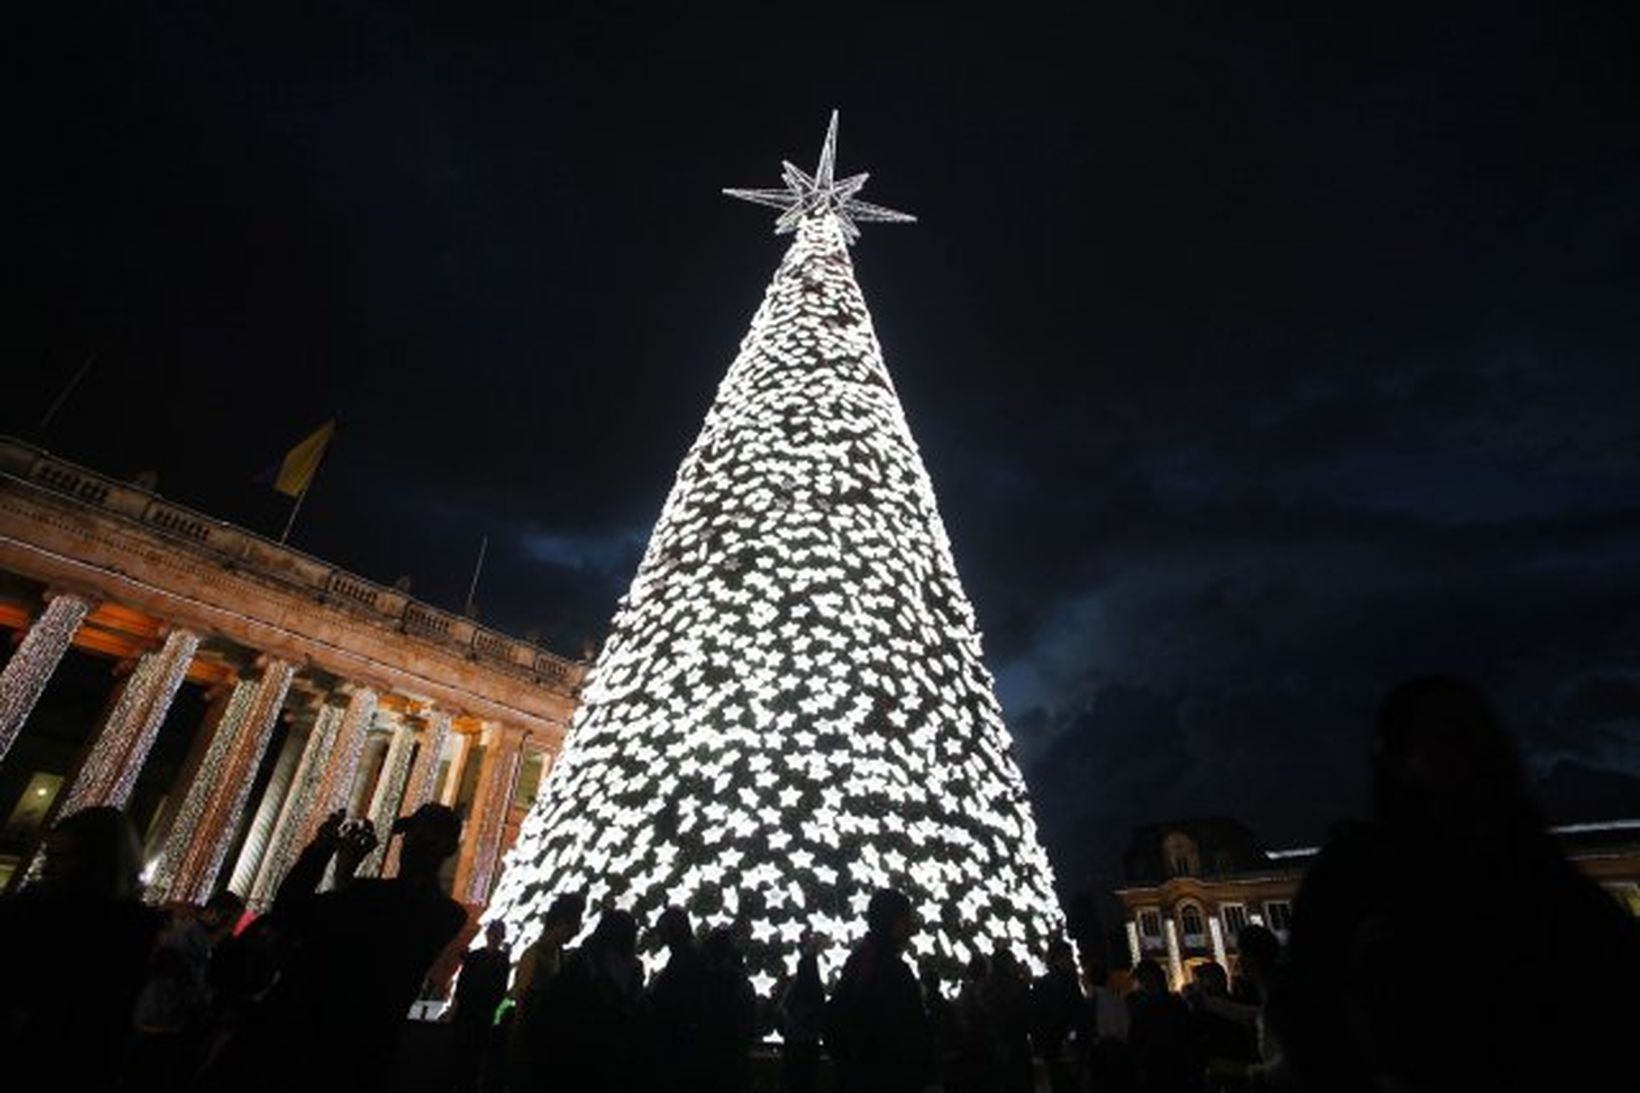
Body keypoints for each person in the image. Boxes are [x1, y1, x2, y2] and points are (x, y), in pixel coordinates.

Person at [1281, 676, 1640, 1092]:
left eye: (1482, 734)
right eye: (1446, 738)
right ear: (1400, 760)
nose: (1474, 753)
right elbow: (1303, 1016)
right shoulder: (1358, 874)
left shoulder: (1550, 879)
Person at [200, 804, 467, 1092]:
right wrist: (328, 854)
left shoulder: (438, 912)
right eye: (412, 835)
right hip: (309, 1044)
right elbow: (297, 913)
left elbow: (304, 913)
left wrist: (334, 862)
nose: (413, 843)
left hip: (328, 1052)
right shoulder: (373, 895)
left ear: (448, 848)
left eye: (427, 837)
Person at [0, 806, 160, 1090]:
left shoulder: (39, 914)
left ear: (98, 863)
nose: (47, 867)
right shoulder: (136, 927)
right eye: (49, 856)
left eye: (61, 858)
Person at [826, 888, 930, 1093]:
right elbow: (909, 1035)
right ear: (896, 923)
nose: (912, 927)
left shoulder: (858, 961)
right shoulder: (892, 971)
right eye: (907, 919)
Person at [547, 908, 647, 1092]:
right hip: (607, 1052)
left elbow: (557, 1000)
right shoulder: (633, 969)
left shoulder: (582, 959)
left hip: (577, 1051)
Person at [505, 891, 586, 1090]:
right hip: (531, 1042)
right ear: (560, 923)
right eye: (574, 925)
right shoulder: (535, 955)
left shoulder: (559, 955)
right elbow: (523, 1000)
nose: (576, 931)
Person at [646, 905, 706, 1091]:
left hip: (679, 1046)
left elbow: (672, 1002)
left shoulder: (685, 959)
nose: (661, 937)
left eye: (663, 931)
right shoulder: (687, 956)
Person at [449, 921, 510, 1093]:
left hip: (479, 1016)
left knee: (471, 1059)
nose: (494, 937)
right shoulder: (480, 958)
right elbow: (463, 986)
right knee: (463, 1057)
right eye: (493, 933)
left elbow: (498, 989)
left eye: (497, 934)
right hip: (470, 1015)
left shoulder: (497, 960)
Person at [696, 925, 758, 1093]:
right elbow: (750, 1026)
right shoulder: (742, 985)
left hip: (707, 1062)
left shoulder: (701, 984)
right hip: (734, 1061)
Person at [1126, 958, 1197, 1093]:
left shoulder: (1171, 1003)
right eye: (1143, 979)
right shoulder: (1140, 1005)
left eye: (1148, 979)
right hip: (1160, 1067)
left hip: (1171, 1066)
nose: (1146, 983)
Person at [1031, 938, 1088, 1092]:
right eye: (1068, 957)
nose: (1071, 961)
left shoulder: (1042, 983)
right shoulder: (1066, 982)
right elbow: (1076, 1012)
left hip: (1054, 1045)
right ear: (1058, 959)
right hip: (1065, 1043)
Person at [777, 934, 827, 1093]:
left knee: (792, 1082)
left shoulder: (792, 992)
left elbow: (781, 1017)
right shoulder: (817, 993)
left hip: (792, 1045)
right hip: (810, 1046)